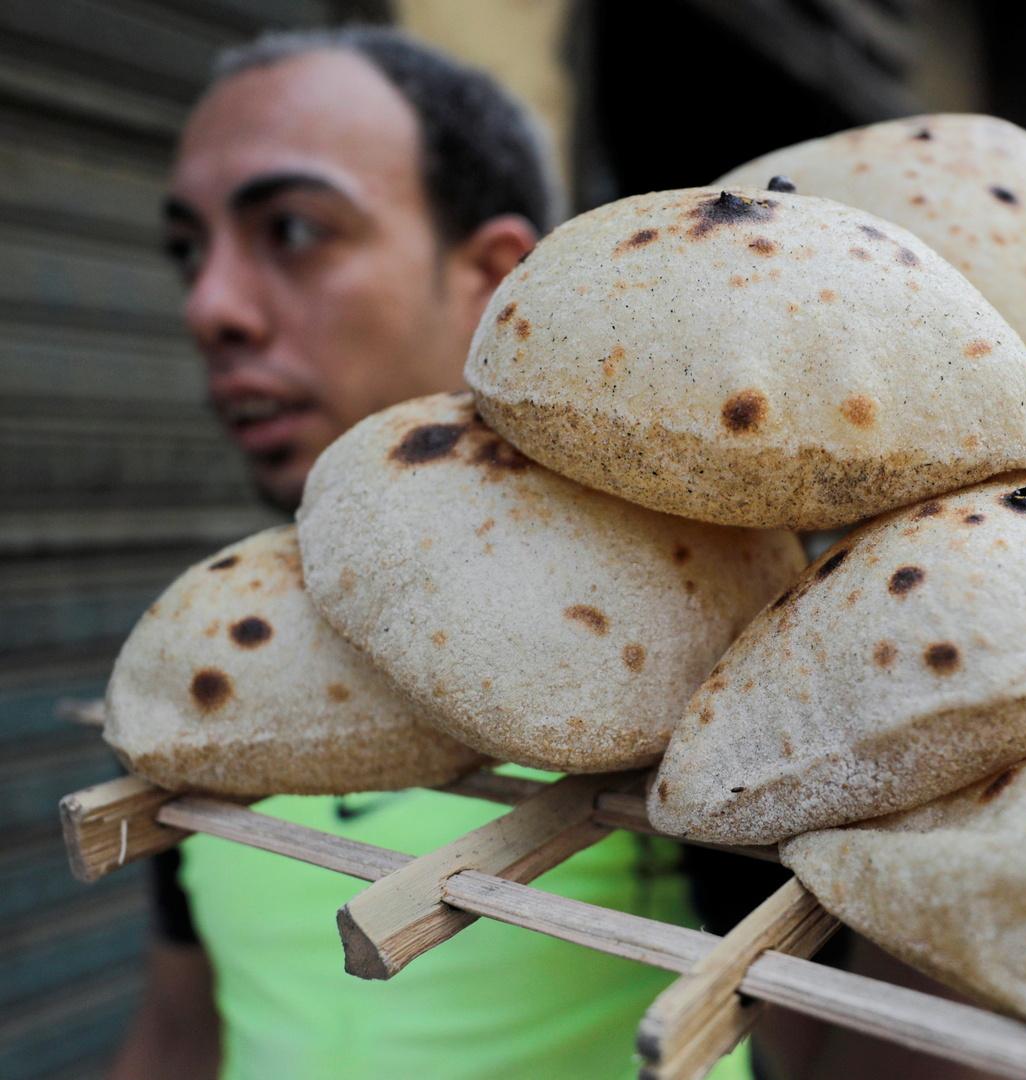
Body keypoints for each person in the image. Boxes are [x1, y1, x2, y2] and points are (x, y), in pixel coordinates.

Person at [109, 27, 748, 1080]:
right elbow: (181, 1032)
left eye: (295, 230)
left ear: (492, 279)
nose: (208, 305)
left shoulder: (682, 646)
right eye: (190, 247)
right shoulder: (203, 659)